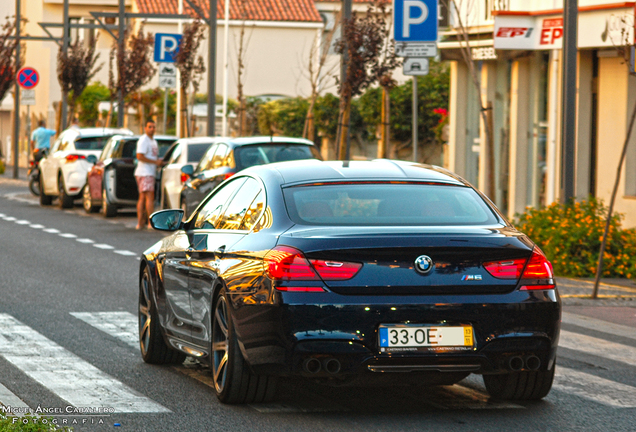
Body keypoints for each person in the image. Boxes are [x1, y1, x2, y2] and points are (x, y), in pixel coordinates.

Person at [134, 120, 163, 229]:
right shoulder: (143, 140)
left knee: (143, 196)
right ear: (145, 128)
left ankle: (141, 223)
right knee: (148, 196)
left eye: (154, 127)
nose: (152, 129)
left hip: (149, 172)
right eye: (150, 127)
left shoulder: (153, 141)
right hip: (145, 172)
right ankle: (149, 223)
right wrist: (155, 162)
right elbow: (139, 156)